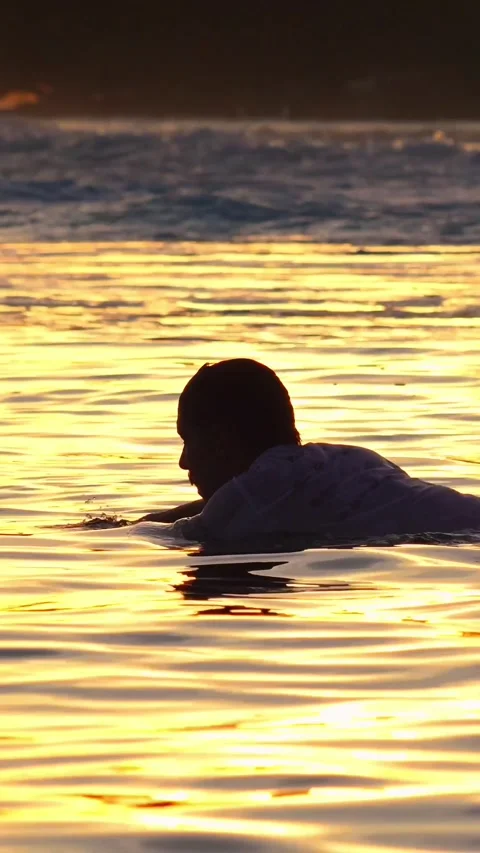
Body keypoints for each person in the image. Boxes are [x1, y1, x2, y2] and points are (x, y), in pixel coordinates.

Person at [138, 358, 480, 542]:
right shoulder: (347, 459)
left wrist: (123, 528)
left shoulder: (251, 499)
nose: (184, 462)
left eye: (188, 440)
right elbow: (226, 503)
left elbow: (179, 531)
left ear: (221, 441)